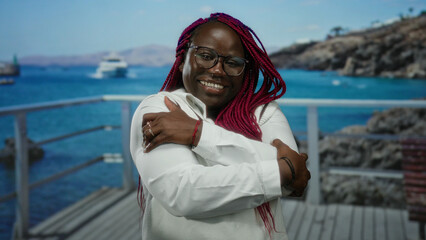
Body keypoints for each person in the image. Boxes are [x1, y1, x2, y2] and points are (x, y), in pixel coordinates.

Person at [130, 13, 310, 240]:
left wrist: (198, 134)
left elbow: (293, 182)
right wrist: (280, 172)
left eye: (233, 63)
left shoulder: (264, 112)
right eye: (206, 56)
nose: (217, 70)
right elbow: (184, 194)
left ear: (246, 72)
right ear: (182, 59)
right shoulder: (159, 108)